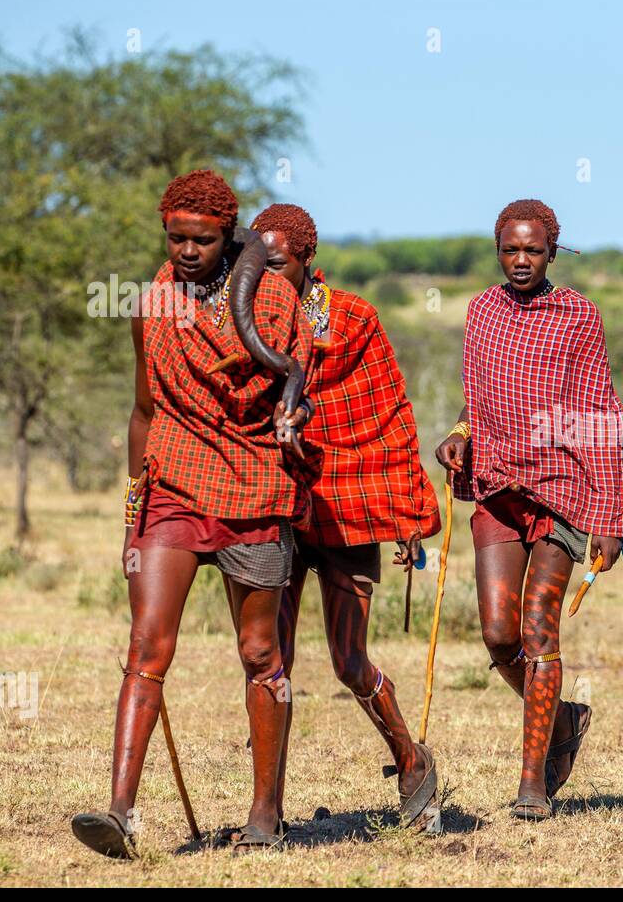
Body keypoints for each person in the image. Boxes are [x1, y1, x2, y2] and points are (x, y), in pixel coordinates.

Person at [71, 170, 311, 857]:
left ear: (228, 234)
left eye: (201, 239)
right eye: (174, 237)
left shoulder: (271, 300)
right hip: (173, 482)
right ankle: (119, 812)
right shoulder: (153, 304)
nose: (185, 250)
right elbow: (143, 413)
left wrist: (293, 416)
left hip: (257, 487)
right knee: (147, 647)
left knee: (261, 653)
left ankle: (266, 812)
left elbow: (298, 383)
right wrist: (131, 516)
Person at [434, 199, 623, 821]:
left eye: (534, 250)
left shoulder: (578, 315)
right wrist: (461, 434)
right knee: (498, 634)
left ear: (553, 252)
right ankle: (564, 717)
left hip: (562, 491)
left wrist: (611, 513)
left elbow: (598, 411)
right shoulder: (480, 312)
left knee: (540, 633)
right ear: (498, 250)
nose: (522, 261)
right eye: (511, 250)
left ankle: (532, 784)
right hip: (496, 486)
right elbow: (477, 398)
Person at [248, 202, 442, 829]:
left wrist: (407, 505)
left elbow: (388, 412)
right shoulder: (244, 317)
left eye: (279, 264)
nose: (270, 277)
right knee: (270, 658)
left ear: (308, 259)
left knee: (348, 660)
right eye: (260, 264)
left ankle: (412, 760)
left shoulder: (353, 317)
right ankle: (267, 813)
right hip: (276, 499)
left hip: (347, 502)